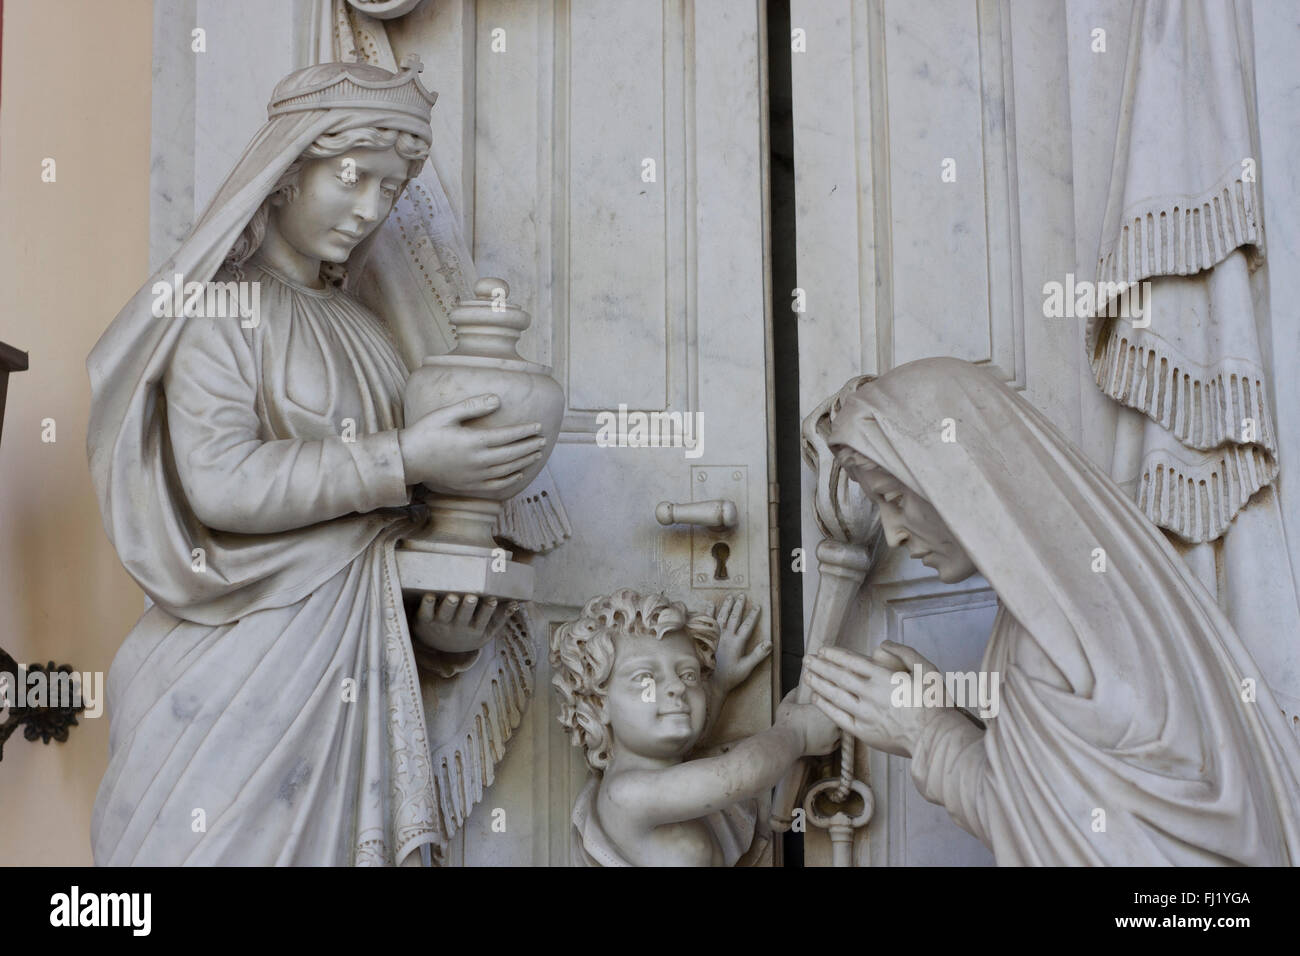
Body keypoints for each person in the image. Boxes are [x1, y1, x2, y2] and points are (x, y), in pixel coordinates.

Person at [88, 58, 541, 865]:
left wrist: (439, 636)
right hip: (228, 672)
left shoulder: (369, 335)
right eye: (351, 176)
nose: (370, 209)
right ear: (286, 173)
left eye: (392, 189)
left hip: (343, 681)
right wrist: (406, 454)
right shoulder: (220, 311)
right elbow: (222, 484)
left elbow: (376, 536)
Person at [803, 357, 1300, 865]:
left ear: (958, 474)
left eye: (894, 498)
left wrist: (922, 730)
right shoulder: (1101, 579)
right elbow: (1072, 795)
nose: (892, 533)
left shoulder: (1048, 637)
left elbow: (1075, 841)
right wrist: (943, 718)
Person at [551, 591, 836, 866]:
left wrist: (719, 682)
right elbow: (737, 775)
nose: (677, 686)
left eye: (688, 674)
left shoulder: (668, 773)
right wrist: (797, 733)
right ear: (599, 705)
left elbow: (693, 741)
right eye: (646, 678)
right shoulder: (625, 793)